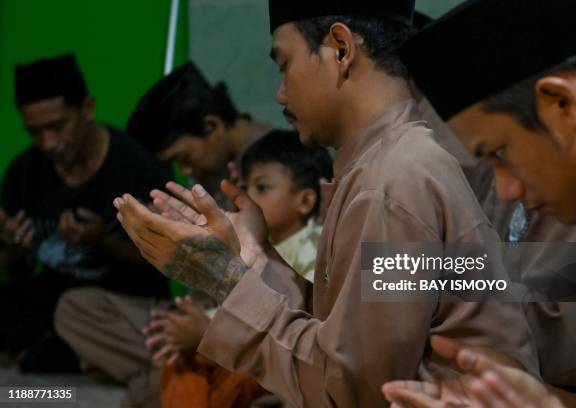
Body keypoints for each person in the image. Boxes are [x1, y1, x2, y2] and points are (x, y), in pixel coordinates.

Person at [114, 1, 540, 406]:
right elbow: (342, 338)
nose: (280, 94)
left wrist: (225, 282)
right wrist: (257, 262)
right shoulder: (381, 165)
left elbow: (351, 393)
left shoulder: (393, 180)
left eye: (285, 65)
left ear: (340, 49)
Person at [383, 0, 576, 405]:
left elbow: (552, 307)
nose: (506, 187)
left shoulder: (575, 193)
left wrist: (397, 274)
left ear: (562, 104)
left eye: (499, 153)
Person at [54, 63, 271, 408]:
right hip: (205, 309)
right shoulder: (213, 166)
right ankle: (168, 369)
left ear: (212, 127)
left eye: (286, 66)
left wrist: (209, 328)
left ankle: (161, 375)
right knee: (74, 308)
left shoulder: (271, 170)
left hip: (246, 318)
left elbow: (275, 287)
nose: (185, 171)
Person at [0, 53, 171, 372]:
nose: (49, 143)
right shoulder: (24, 171)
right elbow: (16, 271)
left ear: (87, 109)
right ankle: (65, 351)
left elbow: (170, 263)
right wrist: (12, 250)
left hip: (119, 301)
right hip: (52, 299)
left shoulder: (139, 167)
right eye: (35, 132)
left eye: (57, 127)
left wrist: (103, 243)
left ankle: (59, 351)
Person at [151, 130, 332, 408]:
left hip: (286, 356)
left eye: (261, 188)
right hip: (251, 342)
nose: (249, 198)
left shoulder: (314, 249)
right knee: (180, 361)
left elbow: (303, 321)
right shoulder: (259, 241)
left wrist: (207, 330)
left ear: (305, 201)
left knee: (209, 369)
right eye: (244, 187)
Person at [127, 61, 271, 203]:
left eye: (184, 158)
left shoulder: (275, 165)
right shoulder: (218, 166)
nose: (185, 171)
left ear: (211, 127)